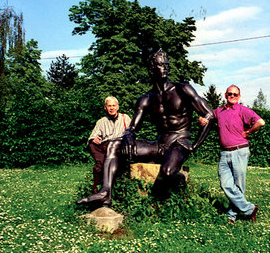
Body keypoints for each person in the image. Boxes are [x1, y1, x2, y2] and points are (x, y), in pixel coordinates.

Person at [76, 49, 214, 206]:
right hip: (159, 145)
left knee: (168, 172)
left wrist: (194, 145)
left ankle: (179, 178)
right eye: (159, 64)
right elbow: (132, 126)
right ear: (151, 69)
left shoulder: (182, 89)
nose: (165, 67)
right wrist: (128, 136)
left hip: (180, 142)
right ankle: (105, 192)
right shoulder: (146, 99)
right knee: (114, 144)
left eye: (165, 64)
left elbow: (209, 115)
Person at [199, 85, 265, 223]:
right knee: (225, 184)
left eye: (235, 94)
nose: (232, 96)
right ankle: (250, 208)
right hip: (224, 153)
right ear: (225, 95)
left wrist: (249, 132)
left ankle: (231, 215)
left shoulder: (243, 110)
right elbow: (207, 117)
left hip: (240, 151)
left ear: (239, 96)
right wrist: (202, 120)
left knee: (238, 185)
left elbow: (260, 122)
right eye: (230, 93)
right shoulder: (219, 111)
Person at [87, 96, 131, 194]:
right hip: (104, 146)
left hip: (119, 147)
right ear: (105, 108)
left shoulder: (125, 118)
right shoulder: (101, 121)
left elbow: (131, 133)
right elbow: (93, 136)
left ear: (117, 107)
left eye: (113, 105)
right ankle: (96, 187)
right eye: (109, 106)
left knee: (112, 165)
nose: (111, 108)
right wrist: (94, 139)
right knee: (99, 163)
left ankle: (110, 190)